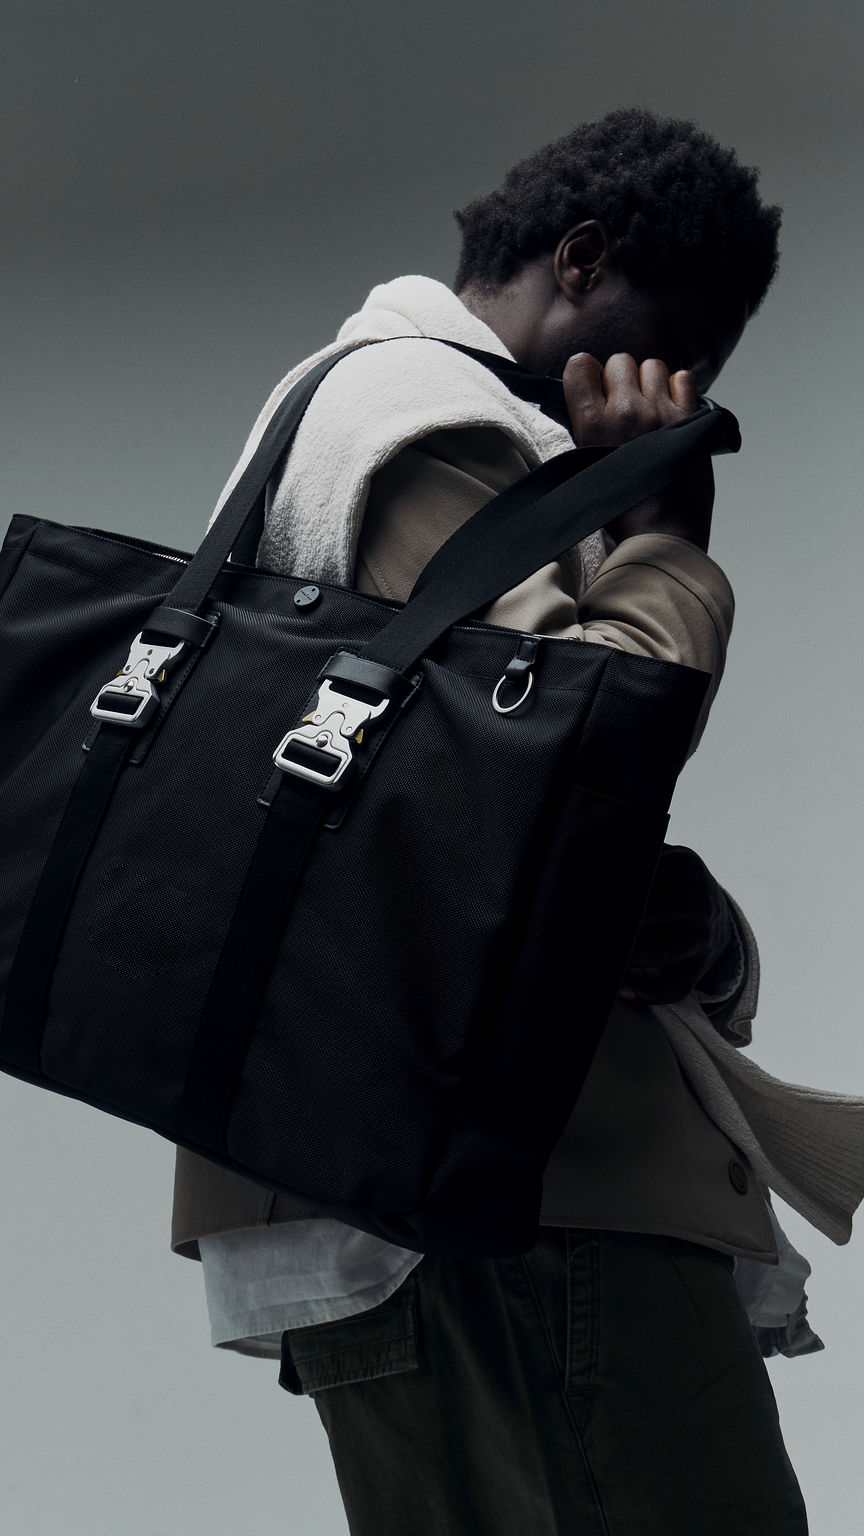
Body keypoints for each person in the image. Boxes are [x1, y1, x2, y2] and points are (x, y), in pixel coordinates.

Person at [171, 108, 864, 1533]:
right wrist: (670, 529)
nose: (662, 404)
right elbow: (571, 773)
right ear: (584, 260)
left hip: (453, 1181)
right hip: (518, 1196)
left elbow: (469, 810)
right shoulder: (429, 426)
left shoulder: (350, 413)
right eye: (668, 355)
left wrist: (698, 928)